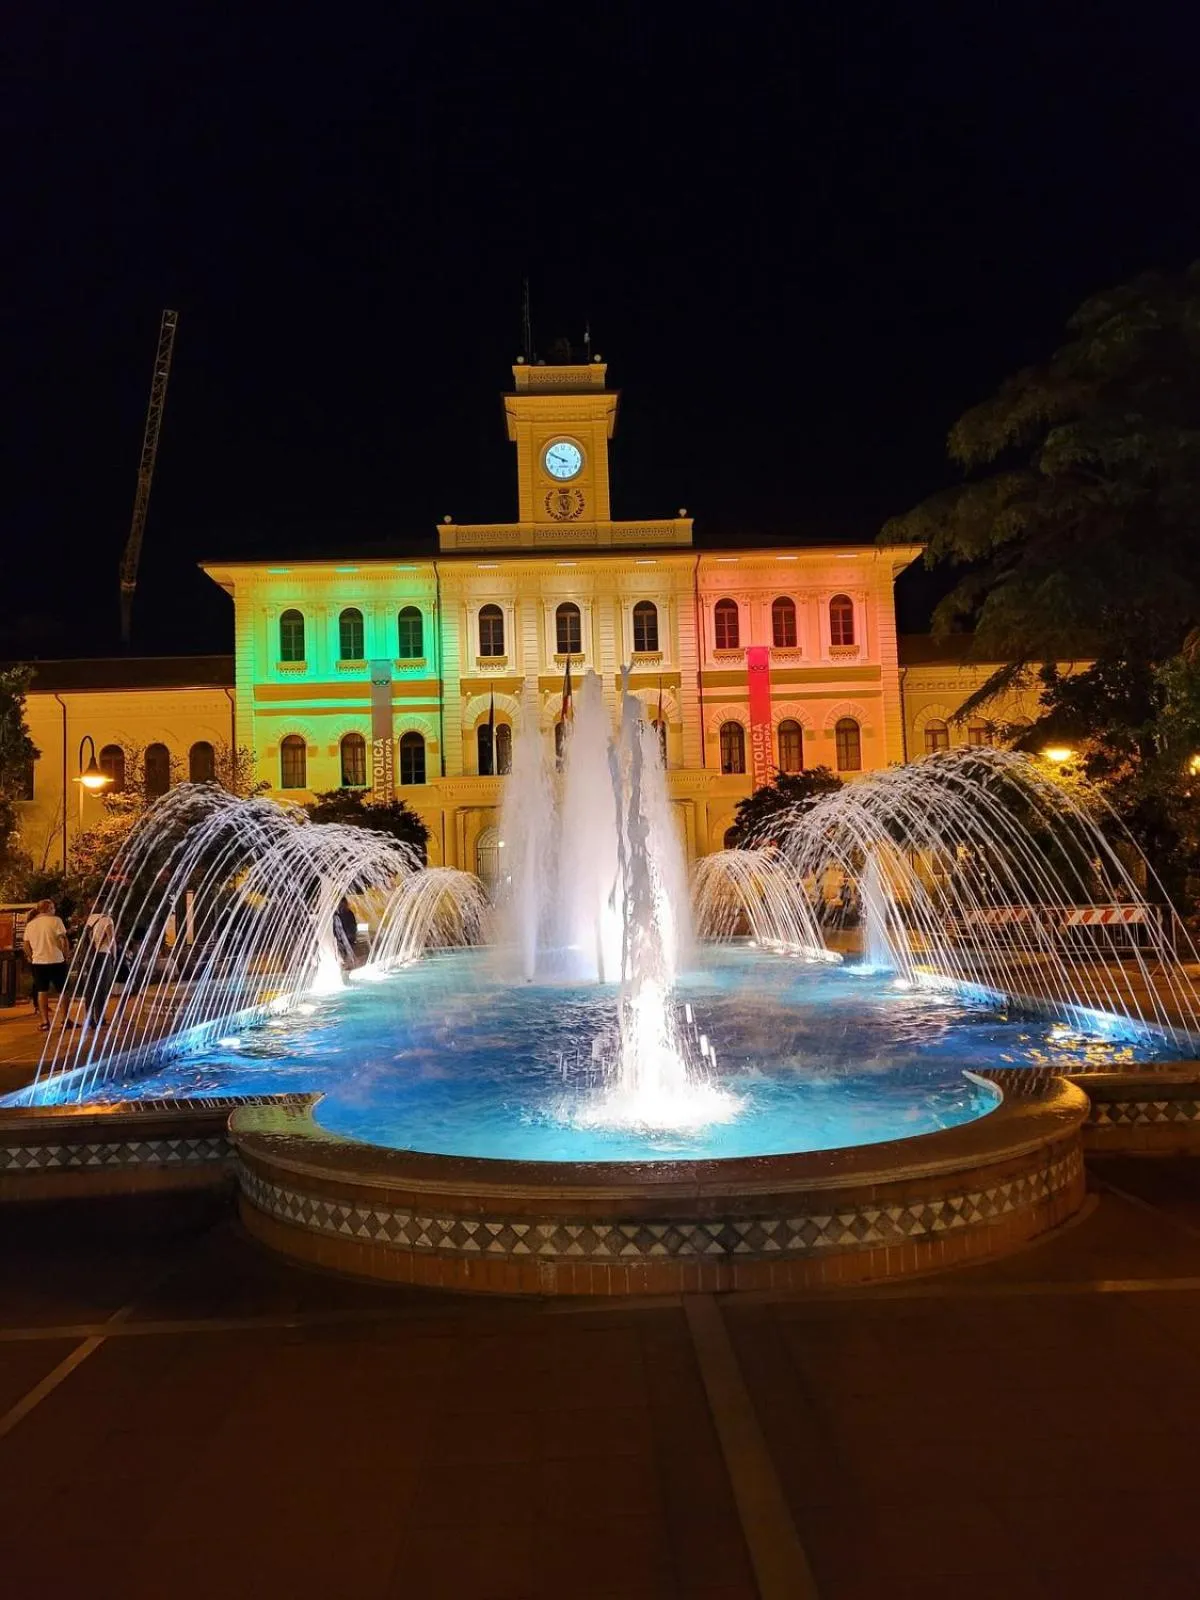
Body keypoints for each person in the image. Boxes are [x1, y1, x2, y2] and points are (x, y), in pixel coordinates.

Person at [22, 899, 71, 1032]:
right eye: (53, 907)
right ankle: (65, 1020)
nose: (54, 910)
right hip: (56, 960)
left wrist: (31, 956)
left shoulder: (31, 924)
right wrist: (66, 953)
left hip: (39, 962)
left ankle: (45, 1022)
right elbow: (62, 939)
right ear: (49, 908)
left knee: (42, 991)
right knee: (63, 990)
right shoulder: (56, 921)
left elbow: (25, 944)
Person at [80, 910, 118, 1027]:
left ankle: (90, 1018)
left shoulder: (90, 919)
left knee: (90, 988)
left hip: (89, 957)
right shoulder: (107, 920)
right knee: (101, 987)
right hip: (103, 955)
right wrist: (114, 956)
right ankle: (100, 1018)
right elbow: (111, 939)